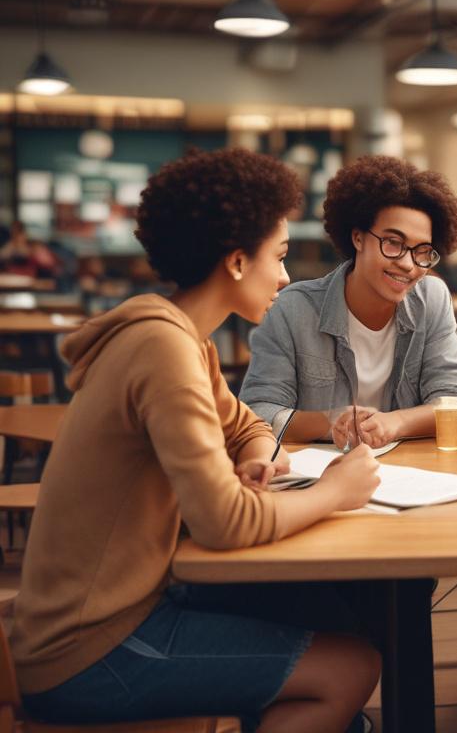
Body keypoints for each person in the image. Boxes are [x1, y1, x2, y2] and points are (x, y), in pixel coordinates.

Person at [10, 148, 383, 732]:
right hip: (91, 649)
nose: (286, 278)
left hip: (120, 611)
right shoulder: (163, 350)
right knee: (351, 668)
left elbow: (250, 427)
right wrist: (336, 491)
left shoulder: (180, 338)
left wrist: (258, 457)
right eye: (279, 257)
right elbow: (224, 523)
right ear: (237, 261)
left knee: (330, 613)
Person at [239, 154, 457, 732]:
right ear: (357, 238)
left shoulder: (433, 299)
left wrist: (394, 423)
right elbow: (257, 411)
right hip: (318, 500)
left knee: (408, 588)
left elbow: (456, 397)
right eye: (393, 244)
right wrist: (327, 422)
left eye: (423, 251)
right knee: (349, 599)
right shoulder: (292, 310)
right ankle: (343, 711)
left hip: (403, 498)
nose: (409, 265)